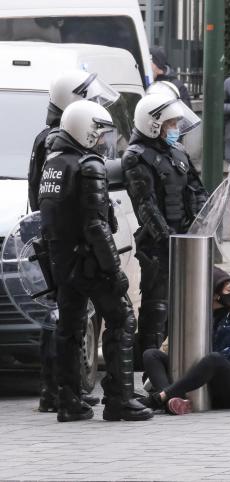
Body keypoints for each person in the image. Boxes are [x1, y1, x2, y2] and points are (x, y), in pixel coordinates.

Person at [38, 100, 153, 422]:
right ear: (85, 131)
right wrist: (114, 270)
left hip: (62, 262)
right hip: (89, 261)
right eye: (99, 133)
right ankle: (120, 398)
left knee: (69, 328)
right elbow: (95, 225)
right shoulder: (88, 166)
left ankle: (68, 400)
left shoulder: (54, 163)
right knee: (122, 318)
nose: (103, 141)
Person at [28, 69, 119, 412]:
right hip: (67, 242)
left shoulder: (58, 138)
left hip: (61, 241)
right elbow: (48, 197)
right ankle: (55, 391)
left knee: (70, 318)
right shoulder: (55, 142)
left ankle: (65, 390)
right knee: (63, 318)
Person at [122, 93, 208, 366]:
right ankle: (150, 366)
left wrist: (200, 220)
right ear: (153, 124)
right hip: (158, 246)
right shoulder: (136, 157)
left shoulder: (177, 152)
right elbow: (146, 205)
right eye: (171, 123)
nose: (175, 129)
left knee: (184, 307)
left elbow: (196, 189)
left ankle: (179, 361)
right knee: (156, 307)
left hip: (185, 240)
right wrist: (168, 241)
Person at [141, 267, 230, 414]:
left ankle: (160, 398)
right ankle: (171, 402)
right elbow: (169, 349)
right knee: (151, 354)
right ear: (211, 293)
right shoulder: (193, 315)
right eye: (226, 290)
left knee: (214, 358)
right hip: (195, 376)